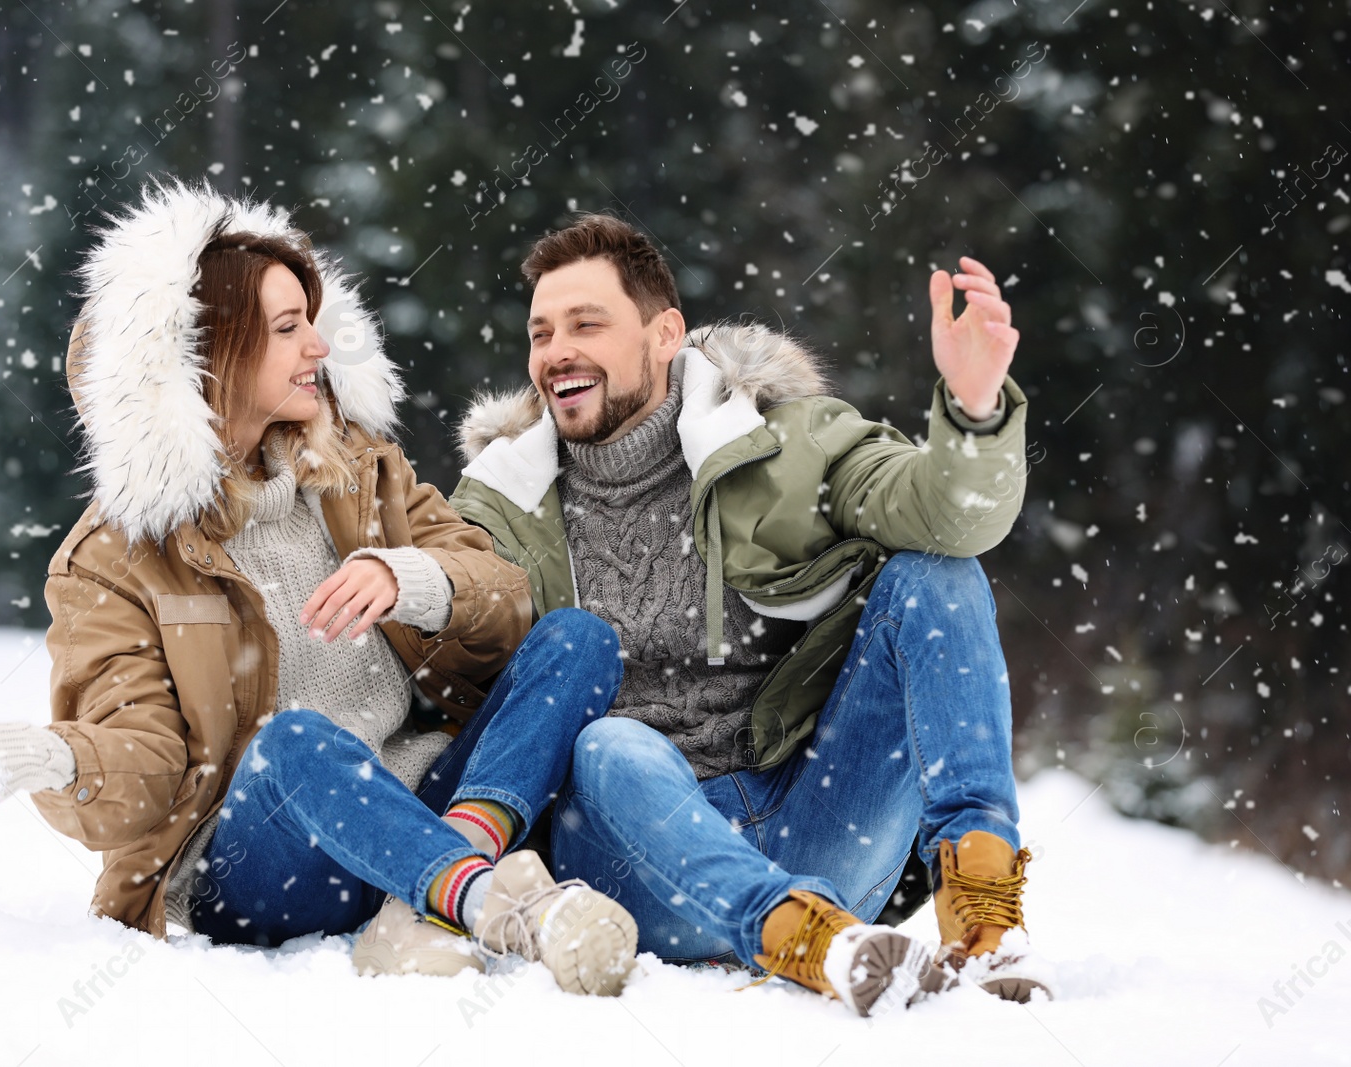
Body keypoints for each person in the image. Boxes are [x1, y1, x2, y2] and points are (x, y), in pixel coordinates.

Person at [0, 179, 638, 996]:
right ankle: (486, 898)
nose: (318, 350)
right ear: (209, 351)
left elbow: (502, 595)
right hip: (268, 862)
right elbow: (148, 762)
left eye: (312, 324)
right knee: (295, 740)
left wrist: (412, 578)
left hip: (420, 802)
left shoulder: (359, 470)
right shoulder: (114, 557)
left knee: (578, 638)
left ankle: (438, 890)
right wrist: (52, 754)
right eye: (289, 329)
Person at [448, 213, 1049, 1015]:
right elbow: (444, 682)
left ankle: (980, 912)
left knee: (936, 574)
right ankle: (795, 933)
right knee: (610, 742)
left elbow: (950, 516)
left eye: (587, 323)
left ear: (666, 334)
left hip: (816, 814)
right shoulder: (499, 503)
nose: (557, 349)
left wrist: (974, 412)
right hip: (633, 860)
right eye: (541, 331)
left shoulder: (784, 442)